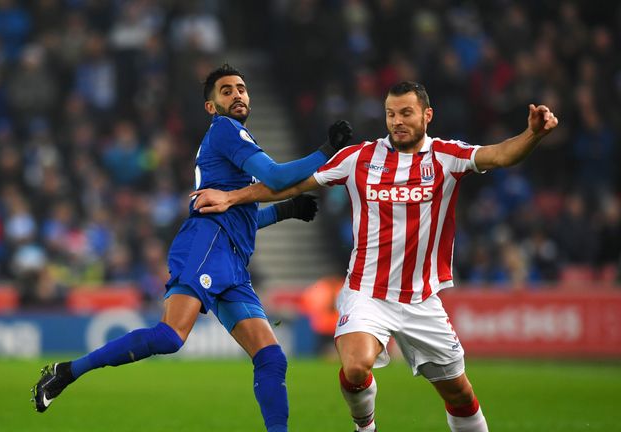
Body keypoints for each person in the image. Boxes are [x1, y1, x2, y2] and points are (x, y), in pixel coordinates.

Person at [191, 81, 559, 432]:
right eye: (391, 114)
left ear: (426, 116)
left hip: (421, 300)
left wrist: (533, 135)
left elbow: (500, 154)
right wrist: (231, 197)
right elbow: (290, 185)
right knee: (354, 368)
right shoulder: (360, 158)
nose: (397, 121)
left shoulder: (447, 157)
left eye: (406, 113)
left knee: (460, 394)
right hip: (366, 292)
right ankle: (365, 425)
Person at [31, 63, 353, 432]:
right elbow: (278, 177)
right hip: (207, 244)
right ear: (211, 107)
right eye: (227, 90)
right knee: (170, 336)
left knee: (271, 358)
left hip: (230, 254)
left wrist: (284, 211)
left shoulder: (232, 142)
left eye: (242, 89)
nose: (237, 94)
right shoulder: (227, 131)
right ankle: (68, 371)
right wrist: (327, 150)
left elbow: (240, 216)